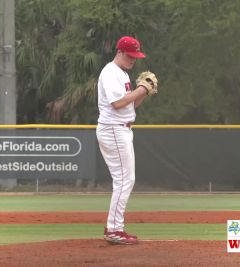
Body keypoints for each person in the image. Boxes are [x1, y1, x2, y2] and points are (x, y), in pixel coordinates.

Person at [96, 36, 157, 245]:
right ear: (120, 52)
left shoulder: (121, 73)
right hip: (113, 129)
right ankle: (114, 229)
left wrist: (144, 93)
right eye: (130, 56)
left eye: (136, 56)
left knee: (125, 179)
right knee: (124, 180)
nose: (133, 60)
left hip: (121, 129)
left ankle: (115, 228)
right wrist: (140, 89)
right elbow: (117, 103)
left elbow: (131, 105)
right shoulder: (110, 72)